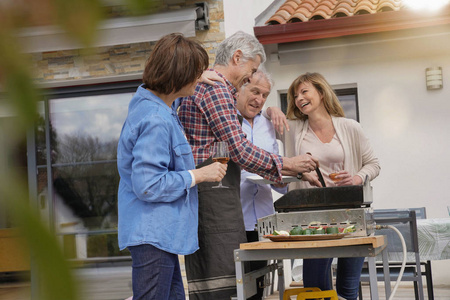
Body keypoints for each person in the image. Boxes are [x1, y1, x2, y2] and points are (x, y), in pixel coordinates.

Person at [178, 30, 319, 300]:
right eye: (251, 70)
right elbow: (239, 149)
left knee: (214, 284)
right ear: (237, 57)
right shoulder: (217, 88)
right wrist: (289, 164)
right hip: (215, 198)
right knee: (227, 287)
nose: (250, 76)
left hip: (208, 196)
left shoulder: (200, 85)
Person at [116, 33, 228, 300]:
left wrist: (198, 76)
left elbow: (168, 96)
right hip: (153, 234)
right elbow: (149, 185)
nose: (199, 78)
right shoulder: (156, 120)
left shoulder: (154, 104)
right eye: (195, 72)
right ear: (179, 75)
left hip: (158, 236)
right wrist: (199, 174)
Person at [268, 72, 380, 300]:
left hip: (350, 215)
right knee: (315, 287)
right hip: (312, 219)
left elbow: (373, 164)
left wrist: (356, 178)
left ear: (320, 92)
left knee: (348, 288)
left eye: (304, 91)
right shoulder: (293, 128)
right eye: (295, 95)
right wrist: (272, 110)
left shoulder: (350, 127)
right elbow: (261, 115)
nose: (299, 98)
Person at [236, 69, 287, 299]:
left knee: (258, 289)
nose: (259, 99)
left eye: (265, 95)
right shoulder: (227, 121)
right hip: (235, 220)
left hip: (263, 223)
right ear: (240, 87)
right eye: (255, 91)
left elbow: (277, 180)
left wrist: (287, 180)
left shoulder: (268, 124)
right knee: (236, 287)